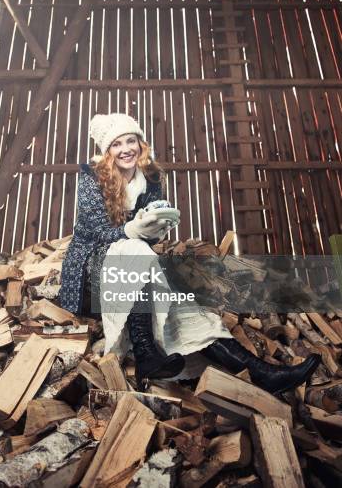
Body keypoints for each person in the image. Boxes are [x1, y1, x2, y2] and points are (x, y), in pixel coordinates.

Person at [60, 113, 320, 392]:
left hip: (135, 267)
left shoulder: (150, 177)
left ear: (140, 143)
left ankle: (262, 373)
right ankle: (146, 351)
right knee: (132, 248)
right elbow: (96, 232)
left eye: (131, 140)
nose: (126, 149)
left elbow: (148, 234)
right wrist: (135, 230)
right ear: (107, 151)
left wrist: (157, 226)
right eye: (117, 144)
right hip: (92, 269)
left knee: (184, 310)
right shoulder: (91, 178)